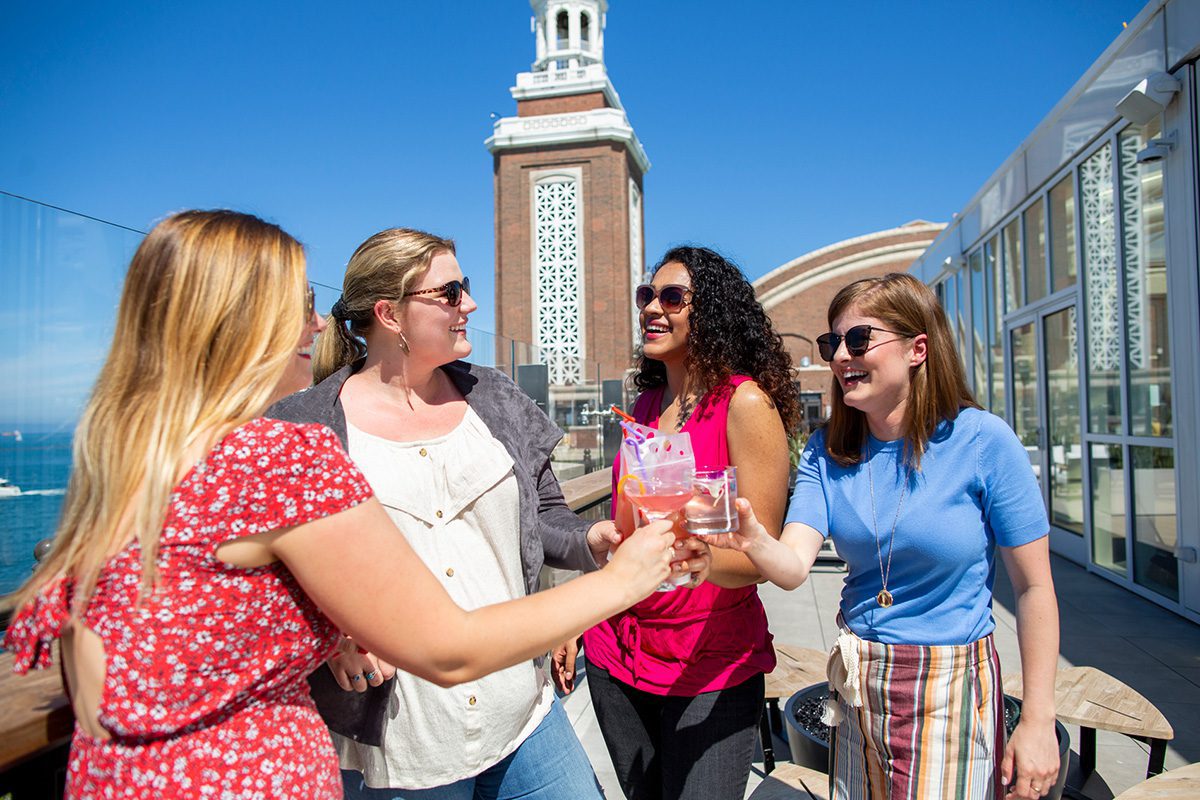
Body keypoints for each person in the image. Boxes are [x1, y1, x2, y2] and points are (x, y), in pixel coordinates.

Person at [1, 211, 678, 799]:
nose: (320, 322)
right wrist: (625, 579)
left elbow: (98, 693)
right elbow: (448, 648)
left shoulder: (120, 464)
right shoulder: (287, 451)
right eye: (298, 303)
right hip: (357, 753)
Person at [267, 227, 700, 800]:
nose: (469, 304)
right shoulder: (302, 426)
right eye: (449, 293)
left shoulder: (494, 398)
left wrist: (591, 540)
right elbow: (269, 570)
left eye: (465, 287)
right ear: (389, 314)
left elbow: (544, 515)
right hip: (406, 738)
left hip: (523, 710)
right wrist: (334, 633)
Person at [717, 273, 1060, 800]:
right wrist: (752, 538)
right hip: (858, 681)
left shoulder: (984, 441)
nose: (840, 357)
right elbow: (792, 567)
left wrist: (1038, 720)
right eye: (833, 343)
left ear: (917, 348)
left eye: (859, 340)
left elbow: (1035, 589)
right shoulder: (824, 450)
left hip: (949, 686)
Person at [574, 246, 800, 800]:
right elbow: (626, 532)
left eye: (673, 296)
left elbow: (759, 557)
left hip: (709, 662)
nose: (653, 307)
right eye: (646, 295)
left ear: (714, 311)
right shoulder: (645, 405)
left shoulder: (744, 403)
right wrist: (577, 613)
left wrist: (701, 562)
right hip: (616, 653)